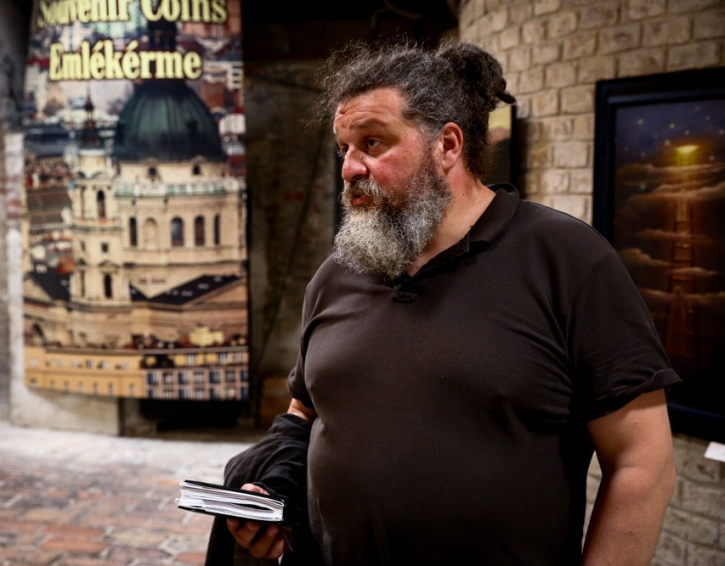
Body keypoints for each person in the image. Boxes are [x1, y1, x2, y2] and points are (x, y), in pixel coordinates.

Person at [221, 37, 680, 565]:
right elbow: (305, 409)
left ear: (447, 145)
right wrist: (273, 488)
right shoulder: (337, 273)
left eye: (373, 142)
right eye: (344, 147)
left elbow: (642, 463)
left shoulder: (568, 261)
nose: (349, 167)